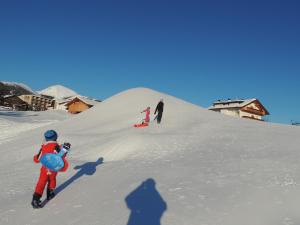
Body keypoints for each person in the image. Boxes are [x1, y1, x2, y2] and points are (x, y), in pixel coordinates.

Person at [31, 130, 71, 208]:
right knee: (52, 180)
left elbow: (37, 159)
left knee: (41, 182)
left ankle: (35, 199)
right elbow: (61, 156)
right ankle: (50, 193)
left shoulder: (43, 147)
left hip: (44, 168)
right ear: (56, 137)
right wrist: (65, 150)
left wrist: (35, 158)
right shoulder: (58, 147)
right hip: (53, 168)